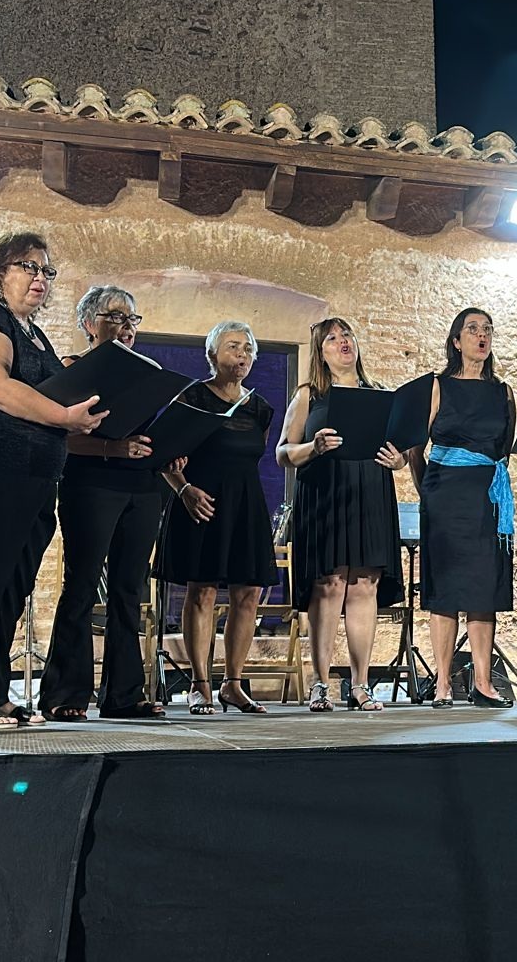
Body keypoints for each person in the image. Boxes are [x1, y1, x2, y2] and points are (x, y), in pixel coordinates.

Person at [0, 231, 105, 729]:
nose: (40, 278)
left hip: (34, 473)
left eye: (46, 270)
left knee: (12, 587)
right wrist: (65, 417)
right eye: (27, 266)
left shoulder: (33, 333)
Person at [39, 287, 166, 721]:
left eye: (132, 319)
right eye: (116, 317)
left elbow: (147, 433)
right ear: (89, 324)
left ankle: (123, 695)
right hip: (91, 484)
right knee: (82, 586)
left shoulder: (147, 373)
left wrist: (170, 450)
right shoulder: (72, 369)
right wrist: (113, 449)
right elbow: (60, 436)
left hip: (142, 488)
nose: (127, 327)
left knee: (129, 592)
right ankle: (65, 693)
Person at [276, 316, 406, 711]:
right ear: (320, 353)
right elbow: (283, 453)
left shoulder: (379, 395)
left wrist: (398, 461)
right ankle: (320, 684)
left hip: (369, 489)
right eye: (332, 338)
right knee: (330, 585)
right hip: (325, 490)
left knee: (365, 585)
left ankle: (360, 685)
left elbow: (399, 451)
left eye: (346, 334)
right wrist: (313, 447)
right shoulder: (309, 395)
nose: (342, 341)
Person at [160, 320, 277, 715]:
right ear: (212, 354)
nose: (242, 355)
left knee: (248, 593)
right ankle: (200, 684)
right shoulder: (193, 396)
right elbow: (165, 453)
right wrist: (184, 490)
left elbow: (252, 458)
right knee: (203, 591)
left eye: (247, 348)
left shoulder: (261, 408)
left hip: (245, 504)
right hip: (201, 500)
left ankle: (232, 683)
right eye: (233, 347)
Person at [410, 308, 517, 708]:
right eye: (472, 329)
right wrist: (428, 491)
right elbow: (415, 447)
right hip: (444, 494)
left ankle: (483, 683)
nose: (481, 335)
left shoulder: (503, 392)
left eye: (487, 329)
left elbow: (504, 448)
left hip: (486, 496)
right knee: (444, 591)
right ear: (456, 341)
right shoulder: (437, 386)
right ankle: (442, 683)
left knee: (482, 588)